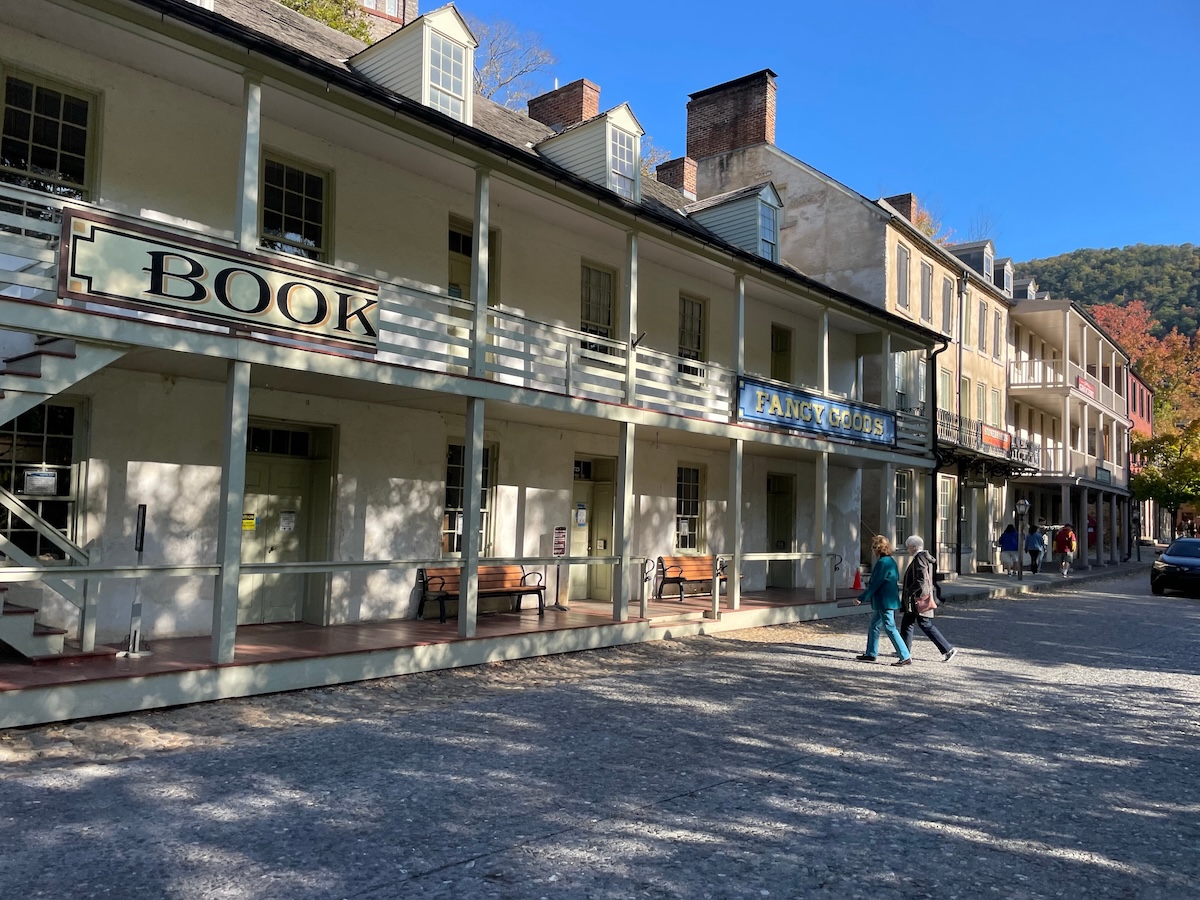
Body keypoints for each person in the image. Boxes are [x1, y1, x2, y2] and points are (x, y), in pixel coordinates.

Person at [853, 535, 912, 667]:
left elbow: (874, 584)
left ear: (878, 549)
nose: (872, 549)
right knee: (874, 625)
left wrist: (861, 598)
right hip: (888, 599)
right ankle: (871, 653)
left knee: (890, 628)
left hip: (884, 600)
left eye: (874, 547)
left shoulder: (882, 563)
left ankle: (905, 656)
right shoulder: (890, 561)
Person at [899, 535, 957, 662]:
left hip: (918, 598)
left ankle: (948, 649)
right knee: (907, 623)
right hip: (918, 597)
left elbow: (921, 579)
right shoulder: (922, 557)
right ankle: (904, 651)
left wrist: (910, 591)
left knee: (925, 624)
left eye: (908, 546)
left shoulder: (919, 558)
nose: (907, 549)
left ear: (913, 547)